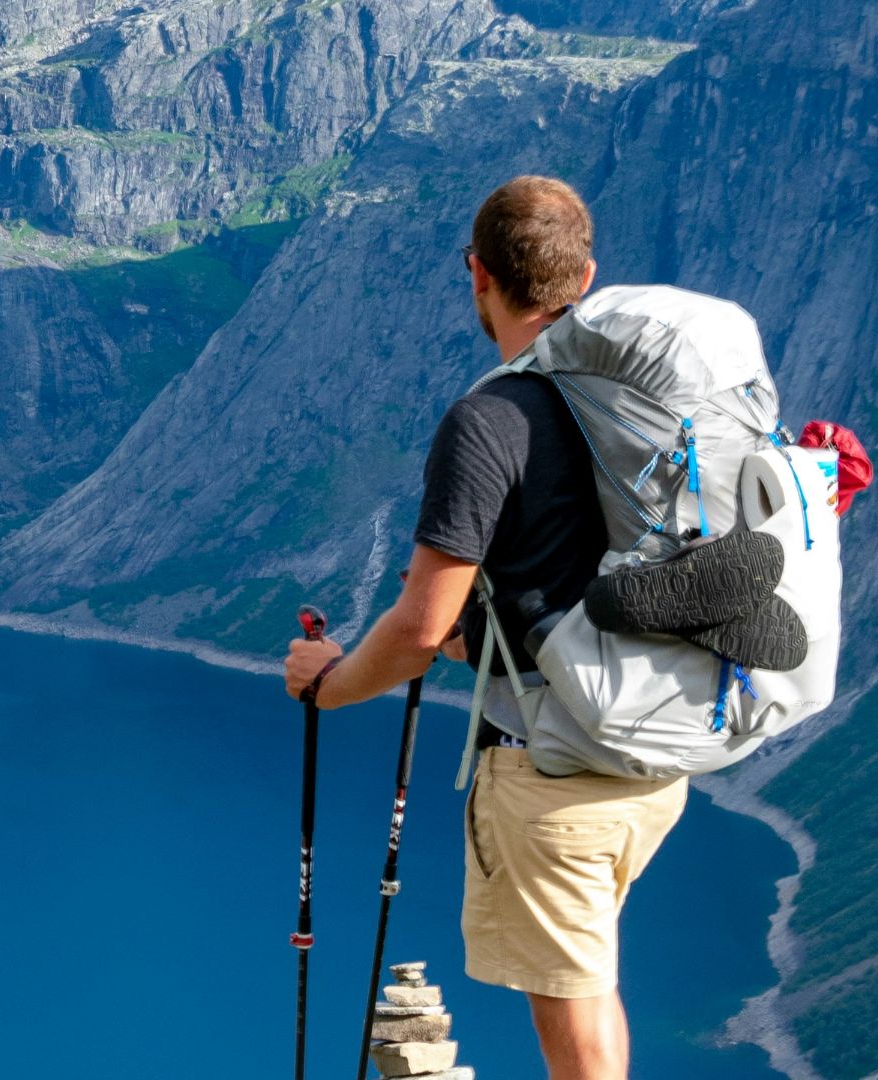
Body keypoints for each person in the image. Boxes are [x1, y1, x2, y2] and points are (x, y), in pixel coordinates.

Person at [282, 176, 687, 1080]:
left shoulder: (492, 418)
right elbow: (570, 585)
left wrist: (329, 683)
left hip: (558, 773)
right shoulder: (642, 401)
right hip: (656, 753)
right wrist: (480, 631)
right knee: (589, 976)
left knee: (569, 1009)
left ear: (478, 275)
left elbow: (420, 625)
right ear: (586, 274)